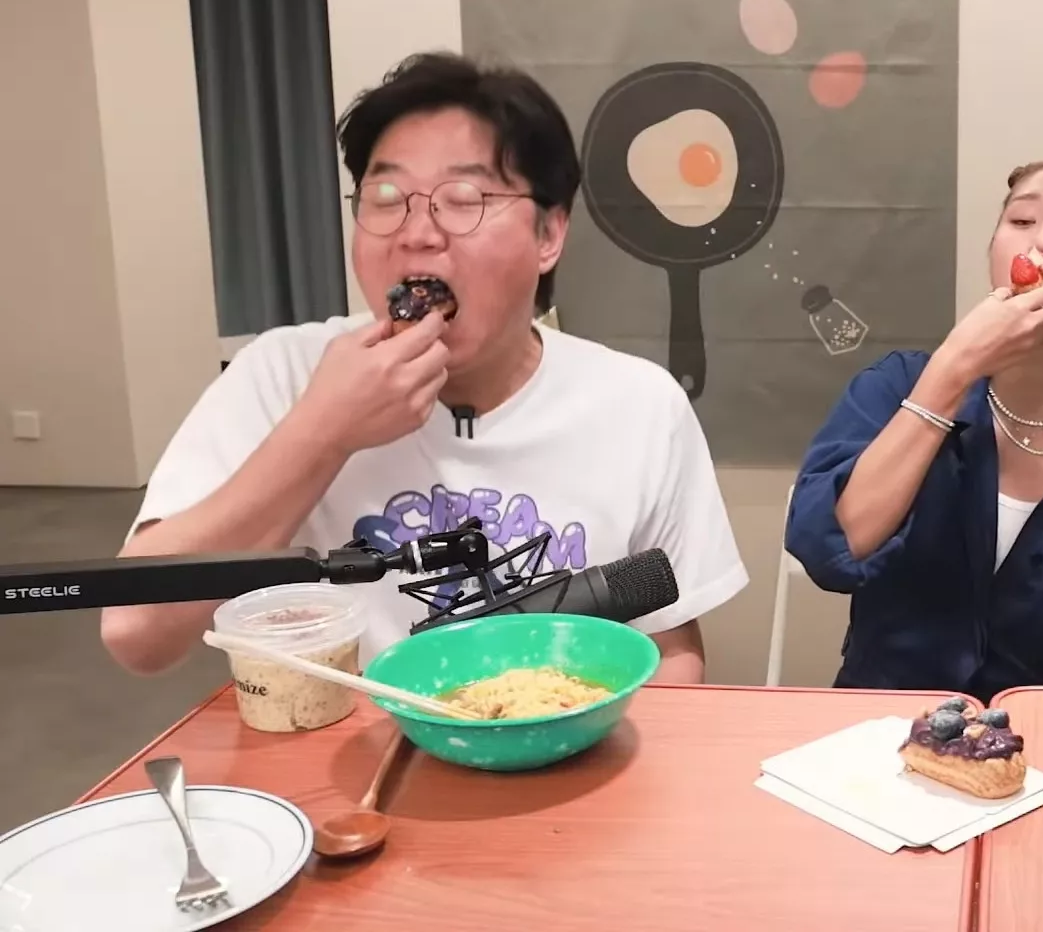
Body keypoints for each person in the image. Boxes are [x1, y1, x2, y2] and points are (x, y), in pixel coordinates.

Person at [100, 53, 748, 680]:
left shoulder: (639, 405)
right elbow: (136, 634)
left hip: (557, 738)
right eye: (385, 196)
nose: (417, 232)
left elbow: (671, 651)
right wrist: (323, 432)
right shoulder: (280, 374)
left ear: (549, 235)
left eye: (463, 198)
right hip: (334, 743)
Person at [785, 157, 1043, 700]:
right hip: (878, 727)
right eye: (1021, 221)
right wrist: (951, 372)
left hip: (1036, 739)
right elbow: (829, 552)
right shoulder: (896, 386)